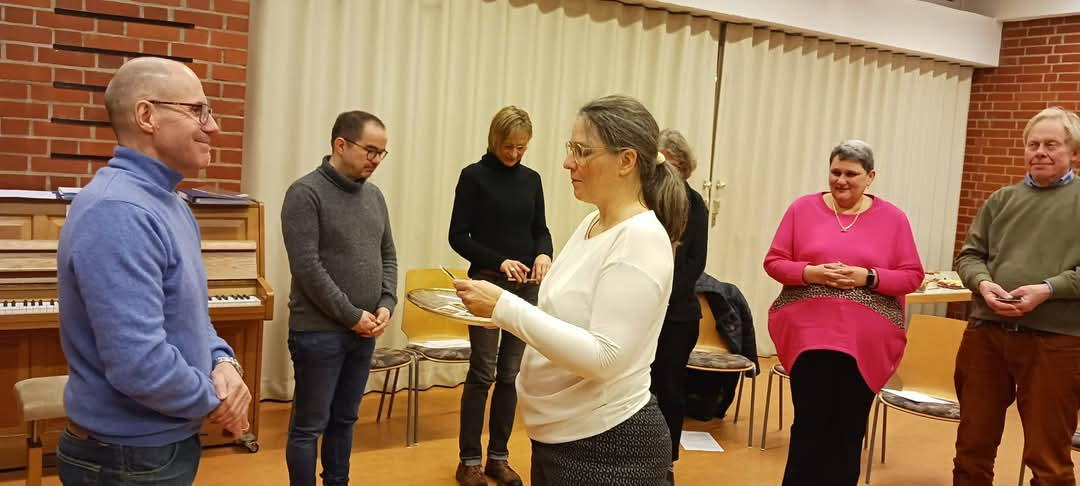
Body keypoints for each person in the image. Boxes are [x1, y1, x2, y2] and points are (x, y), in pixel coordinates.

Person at [454, 95, 688, 485]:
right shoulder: (592, 223)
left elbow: (604, 357)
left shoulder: (641, 239)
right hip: (563, 438)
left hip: (606, 446)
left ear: (626, 161)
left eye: (582, 151)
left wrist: (504, 307)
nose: (568, 162)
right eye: (571, 148)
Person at [56, 56, 251, 485]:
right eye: (197, 110)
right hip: (126, 459)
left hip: (157, 447)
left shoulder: (171, 203)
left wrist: (223, 361)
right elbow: (139, 365)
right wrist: (218, 400)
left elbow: (190, 317)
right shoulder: (117, 210)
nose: (213, 126)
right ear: (146, 116)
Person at [763, 140, 924, 485]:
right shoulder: (801, 209)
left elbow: (912, 276)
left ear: (870, 177)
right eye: (835, 172)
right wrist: (812, 273)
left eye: (851, 174)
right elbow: (774, 262)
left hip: (864, 343)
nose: (841, 180)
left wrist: (868, 277)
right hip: (810, 339)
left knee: (848, 431)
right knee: (808, 426)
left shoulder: (894, 219)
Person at [952, 106, 1080, 485]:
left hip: (1055, 341)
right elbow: (970, 256)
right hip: (986, 336)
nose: (1039, 152)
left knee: (1048, 459)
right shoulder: (1001, 200)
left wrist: (1048, 289)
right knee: (971, 448)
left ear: (1073, 151)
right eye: (1033, 144)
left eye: (1051, 145)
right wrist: (982, 283)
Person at [281, 110, 397, 486]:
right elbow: (307, 268)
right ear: (341, 145)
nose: (376, 160)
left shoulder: (375, 196)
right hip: (318, 333)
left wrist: (386, 302)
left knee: (345, 419)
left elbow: (388, 254)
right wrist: (352, 315)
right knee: (309, 426)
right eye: (370, 151)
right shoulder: (305, 193)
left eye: (381, 153)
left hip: (363, 330)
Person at [448, 106, 552, 486]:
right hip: (487, 287)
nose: (514, 154)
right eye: (509, 146)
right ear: (494, 140)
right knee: (482, 373)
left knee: (510, 375)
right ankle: (469, 461)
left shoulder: (532, 180)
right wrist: (500, 261)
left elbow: (541, 230)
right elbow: (458, 236)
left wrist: (544, 253)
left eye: (522, 147)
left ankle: (498, 458)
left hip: (526, 289)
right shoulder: (473, 177)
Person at [649, 129, 708, 483]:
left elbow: (695, 263)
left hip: (677, 314)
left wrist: (662, 294)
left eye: (667, 162)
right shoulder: (647, 199)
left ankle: (667, 463)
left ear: (682, 165)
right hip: (646, 311)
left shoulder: (695, 203)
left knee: (669, 387)